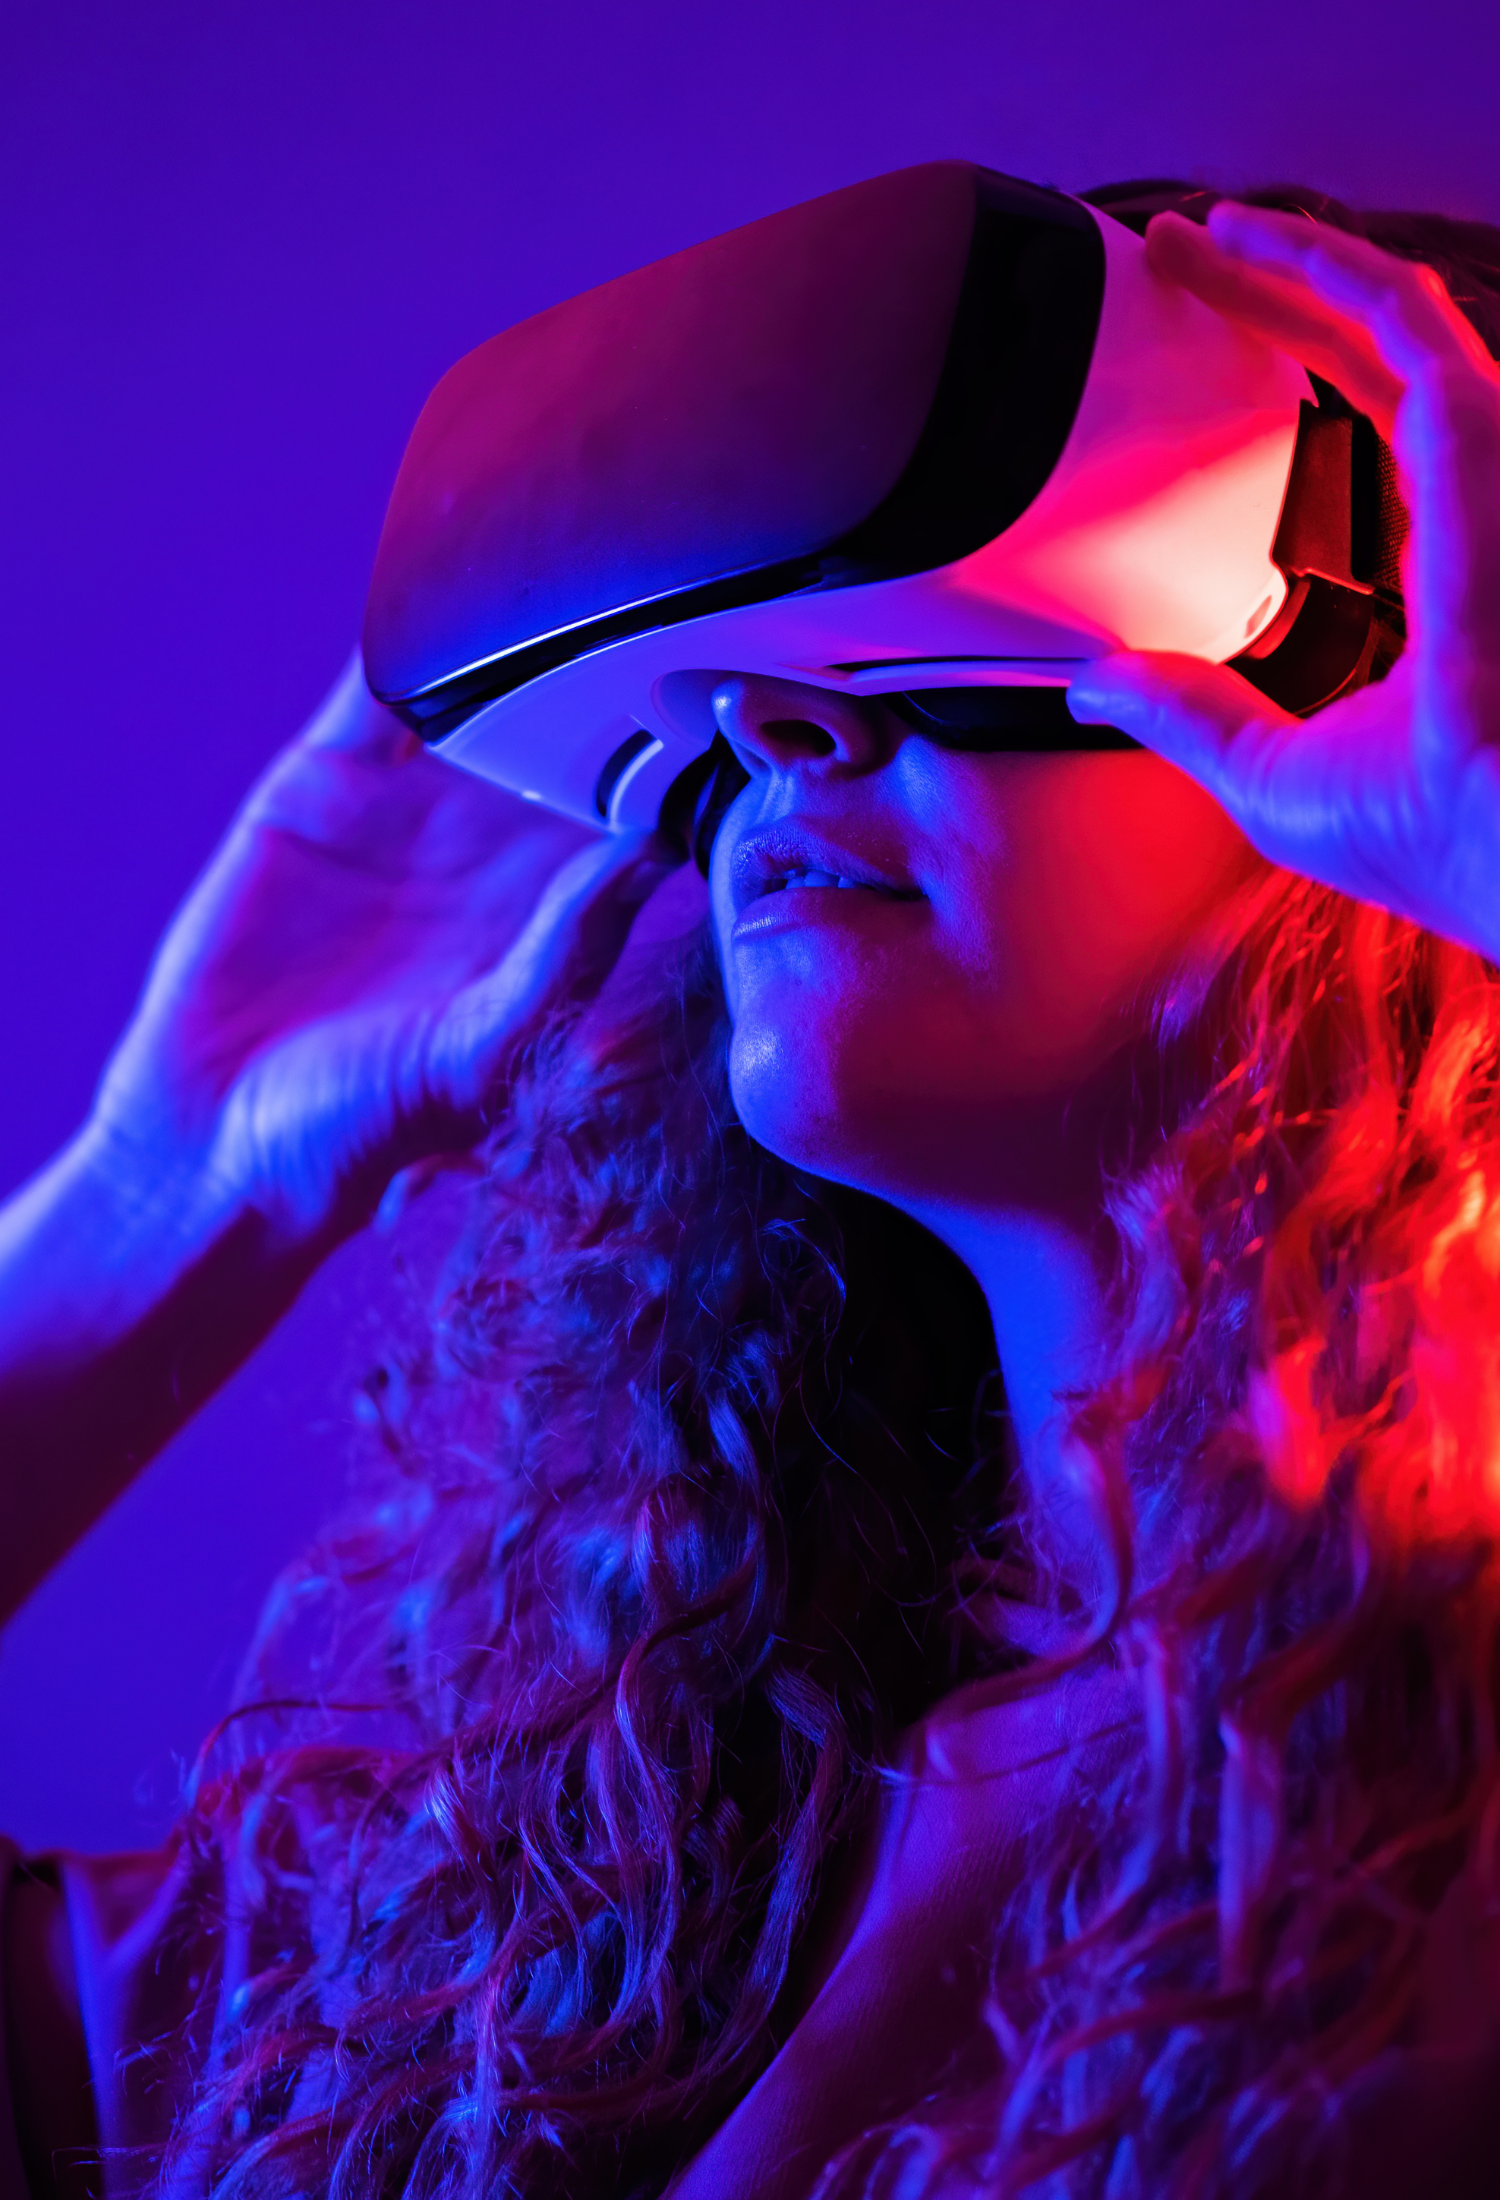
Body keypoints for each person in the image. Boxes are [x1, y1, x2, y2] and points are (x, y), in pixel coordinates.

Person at [3, 180, 1500, 2200]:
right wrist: (164, 1191)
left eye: (993, 591)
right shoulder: (553, 1883)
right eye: (758, 650)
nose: (767, 715)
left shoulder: (1441, 1861)